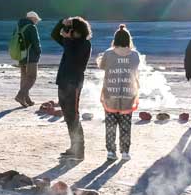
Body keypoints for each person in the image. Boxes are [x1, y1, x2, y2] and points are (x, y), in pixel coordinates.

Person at [97, 24, 141, 161]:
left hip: (110, 93)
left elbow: (102, 66)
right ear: (129, 40)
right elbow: (136, 68)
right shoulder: (134, 55)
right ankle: (125, 152)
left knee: (110, 124)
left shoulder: (108, 53)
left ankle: (111, 151)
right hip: (128, 93)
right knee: (126, 125)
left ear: (115, 39)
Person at [52, 16, 93, 160]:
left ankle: (79, 151)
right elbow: (54, 35)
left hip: (73, 83)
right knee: (68, 116)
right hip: (63, 81)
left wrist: (68, 39)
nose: (68, 32)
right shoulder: (72, 42)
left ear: (78, 31)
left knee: (73, 116)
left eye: (71, 29)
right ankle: (73, 147)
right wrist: (61, 22)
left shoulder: (84, 44)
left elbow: (72, 58)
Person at [14, 11, 42, 107]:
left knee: (24, 78)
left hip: (21, 55)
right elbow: (36, 42)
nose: (36, 21)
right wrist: (39, 52)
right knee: (32, 77)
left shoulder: (18, 26)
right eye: (36, 19)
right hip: (31, 56)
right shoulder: (31, 27)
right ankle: (20, 96)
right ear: (32, 18)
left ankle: (27, 99)